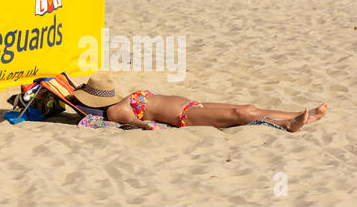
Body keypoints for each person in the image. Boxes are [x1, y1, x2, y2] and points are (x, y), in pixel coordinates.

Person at [72, 73, 327, 132]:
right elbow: (141, 124)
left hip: (193, 105)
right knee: (240, 113)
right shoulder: (117, 110)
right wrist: (143, 124)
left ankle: (304, 114)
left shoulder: (123, 101)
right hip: (185, 117)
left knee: (248, 108)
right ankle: (287, 124)